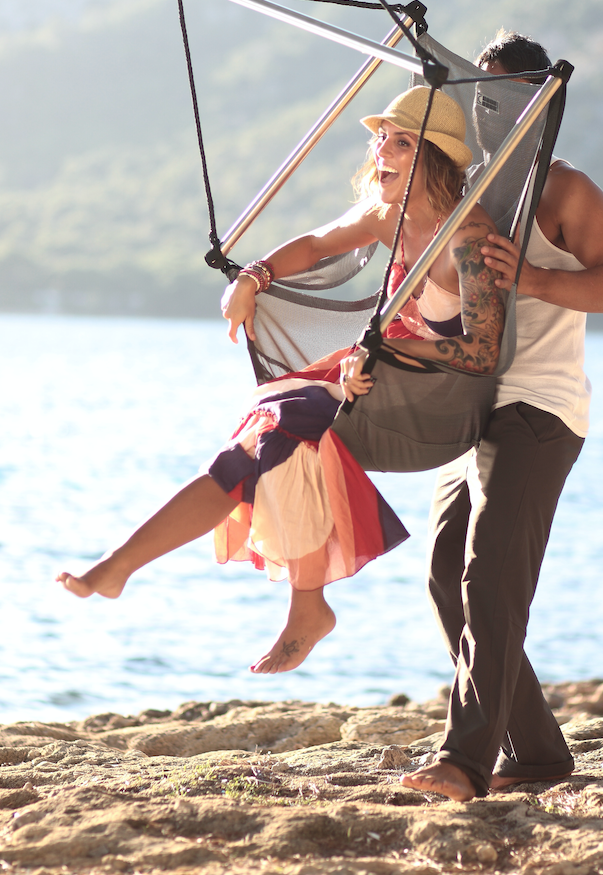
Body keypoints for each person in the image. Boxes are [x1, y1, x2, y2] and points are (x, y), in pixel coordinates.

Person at [56, 86, 505, 675]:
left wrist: (386, 353)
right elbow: (317, 244)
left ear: (437, 160)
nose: (382, 152)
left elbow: (482, 353)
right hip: (368, 374)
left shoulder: (467, 238)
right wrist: (254, 275)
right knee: (259, 444)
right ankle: (125, 566)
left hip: (431, 396)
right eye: (379, 139)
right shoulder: (385, 216)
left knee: (282, 424)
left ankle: (303, 605)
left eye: (402, 142)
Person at [401, 31, 603, 802]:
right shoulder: (467, 188)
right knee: (447, 575)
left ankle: (465, 763)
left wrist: (534, 277)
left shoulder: (567, 191)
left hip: (541, 406)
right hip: (470, 407)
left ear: (542, 105)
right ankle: (535, 751)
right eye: (481, 97)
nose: (490, 111)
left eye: (508, 98)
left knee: (492, 573)